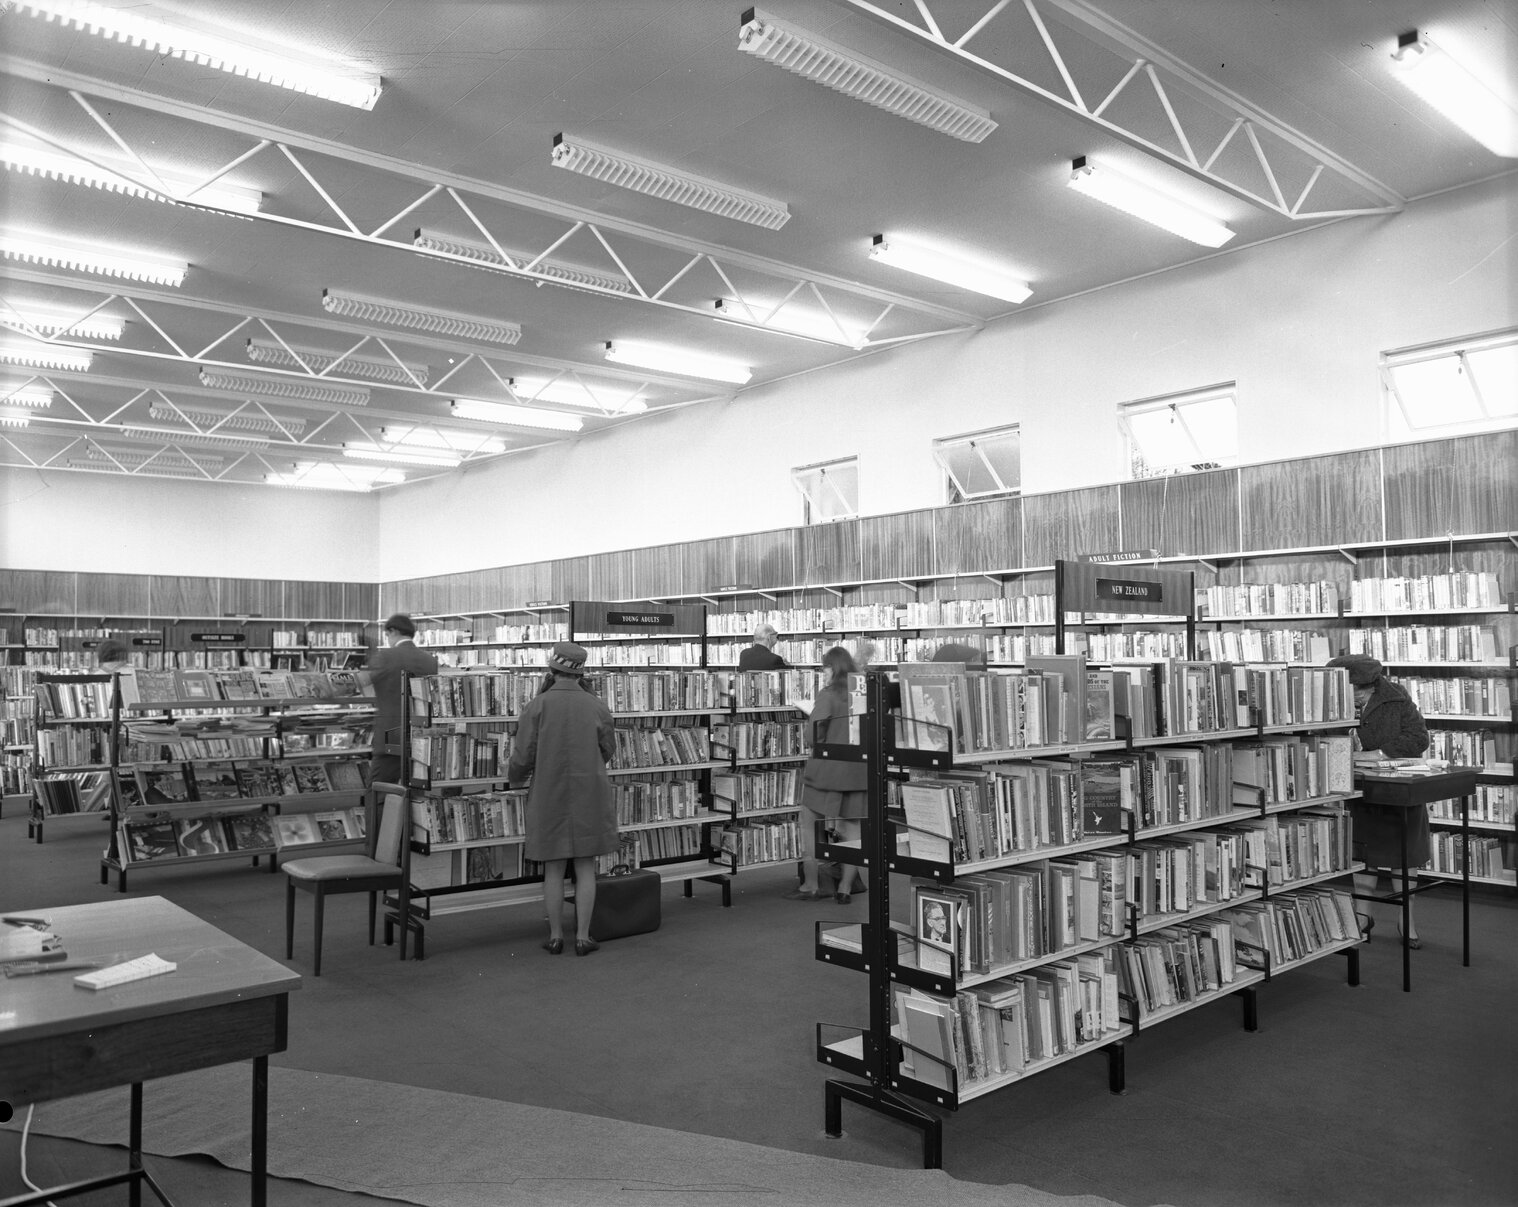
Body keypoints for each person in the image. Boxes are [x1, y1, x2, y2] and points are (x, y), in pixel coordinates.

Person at [507, 642, 617, 956]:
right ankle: (583, 937)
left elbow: (523, 754)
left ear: (552, 669)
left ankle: (555, 936)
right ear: (581, 671)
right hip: (589, 792)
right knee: (585, 866)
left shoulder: (537, 705)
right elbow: (608, 748)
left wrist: (515, 778)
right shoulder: (595, 705)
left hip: (548, 791)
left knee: (553, 868)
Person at [1328, 653, 1431, 947]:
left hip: (1399, 790)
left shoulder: (1397, 698)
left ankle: (1406, 920)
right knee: (1362, 854)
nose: (1355, 697)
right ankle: (1363, 917)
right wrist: (1345, 737)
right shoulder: (1330, 699)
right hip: (1362, 789)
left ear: (1373, 685)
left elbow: (1418, 738)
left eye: (1359, 690)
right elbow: (1318, 737)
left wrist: (1378, 754)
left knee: (1405, 856)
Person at [791, 645, 867, 903]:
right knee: (852, 828)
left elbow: (814, 736)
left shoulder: (828, 694)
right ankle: (845, 887)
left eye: (823, 668)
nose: (822, 673)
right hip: (858, 771)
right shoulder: (862, 693)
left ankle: (812, 884)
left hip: (827, 772)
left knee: (810, 823)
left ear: (832, 668)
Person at [367, 613, 439, 785]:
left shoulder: (386, 657)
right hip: (421, 734)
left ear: (393, 631)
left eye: (387, 635)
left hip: (390, 734)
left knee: (378, 790)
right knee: (415, 789)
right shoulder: (430, 660)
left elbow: (361, 682)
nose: (387, 640)